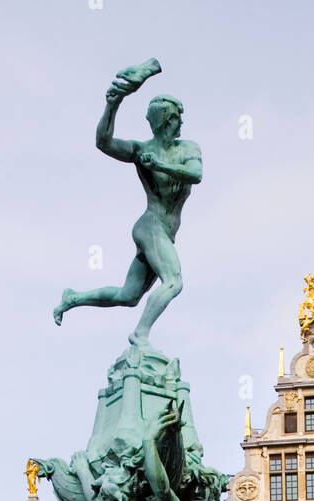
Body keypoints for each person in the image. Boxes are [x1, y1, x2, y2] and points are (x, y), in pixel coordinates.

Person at [53, 63, 202, 346]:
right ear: (167, 122)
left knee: (128, 296)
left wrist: (159, 165)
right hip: (150, 225)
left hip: (164, 232)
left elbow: (196, 175)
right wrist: (113, 104)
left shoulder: (188, 149)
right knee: (173, 281)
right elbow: (103, 142)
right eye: (177, 120)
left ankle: (72, 298)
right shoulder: (140, 149)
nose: (181, 124)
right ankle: (140, 334)